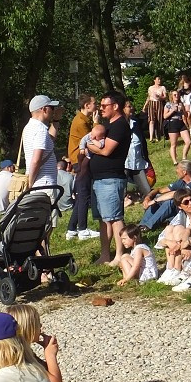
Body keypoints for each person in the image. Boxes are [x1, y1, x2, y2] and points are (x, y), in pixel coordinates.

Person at [5, 304, 90, 382]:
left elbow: (44, 375)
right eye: (37, 324)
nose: (41, 327)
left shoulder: (17, 351)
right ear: (27, 328)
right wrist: (50, 355)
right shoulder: (21, 357)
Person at [87, 90, 131, 265]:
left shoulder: (120, 125)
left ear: (115, 106)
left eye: (104, 105)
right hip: (99, 179)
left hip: (111, 179)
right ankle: (105, 255)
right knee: (103, 220)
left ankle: (120, 255)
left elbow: (106, 150)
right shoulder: (108, 126)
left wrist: (91, 147)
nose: (101, 108)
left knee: (114, 218)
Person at [155, 189, 191, 285]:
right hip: (183, 250)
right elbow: (161, 238)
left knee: (181, 229)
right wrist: (172, 243)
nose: (190, 203)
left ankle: (178, 269)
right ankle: (171, 268)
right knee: (170, 228)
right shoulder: (181, 215)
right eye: (186, 202)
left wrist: (186, 245)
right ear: (179, 206)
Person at [64, 94, 99, 241]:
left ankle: (72, 229)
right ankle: (83, 229)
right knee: (84, 195)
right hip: (81, 160)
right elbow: (93, 138)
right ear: (86, 105)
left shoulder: (83, 119)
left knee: (80, 196)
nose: (96, 106)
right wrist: (97, 123)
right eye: (94, 103)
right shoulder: (80, 122)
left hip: (79, 160)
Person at [139, 160, 191, 229]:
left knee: (170, 201)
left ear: (184, 172)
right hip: (181, 208)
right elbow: (160, 190)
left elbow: (174, 194)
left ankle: (148, 226)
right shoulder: (181, 182)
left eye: (178, 168)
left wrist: (154, 201)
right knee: (158, 196)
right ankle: (142, 225)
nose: (176, 171)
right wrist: (148, 197)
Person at [162, 90, 190, 166]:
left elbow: (186, 115)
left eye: (177, 95)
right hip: (172, 123)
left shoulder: (181, 103)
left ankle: (184, 157)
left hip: (181, 123)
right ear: (171, 96)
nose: (176, 96)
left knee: (188, 141)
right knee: (174, 144)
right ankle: (175, 161)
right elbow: (164, 116)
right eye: (174, 95)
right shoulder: (168, 104)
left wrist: (183, 110)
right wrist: (172, 111)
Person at [142, 76, 167, 142]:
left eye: (160, 79)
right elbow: (148, 97)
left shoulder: (162, 87)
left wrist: (160, 96)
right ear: (154, 80)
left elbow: (165, 97)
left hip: (159, 103)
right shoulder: (150, 88)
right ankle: (151, 137)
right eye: (158, 79)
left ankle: (158, 136)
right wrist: (145, 106)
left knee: (159, 120)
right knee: (151, 120)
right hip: (151, 103)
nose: (159, 80)